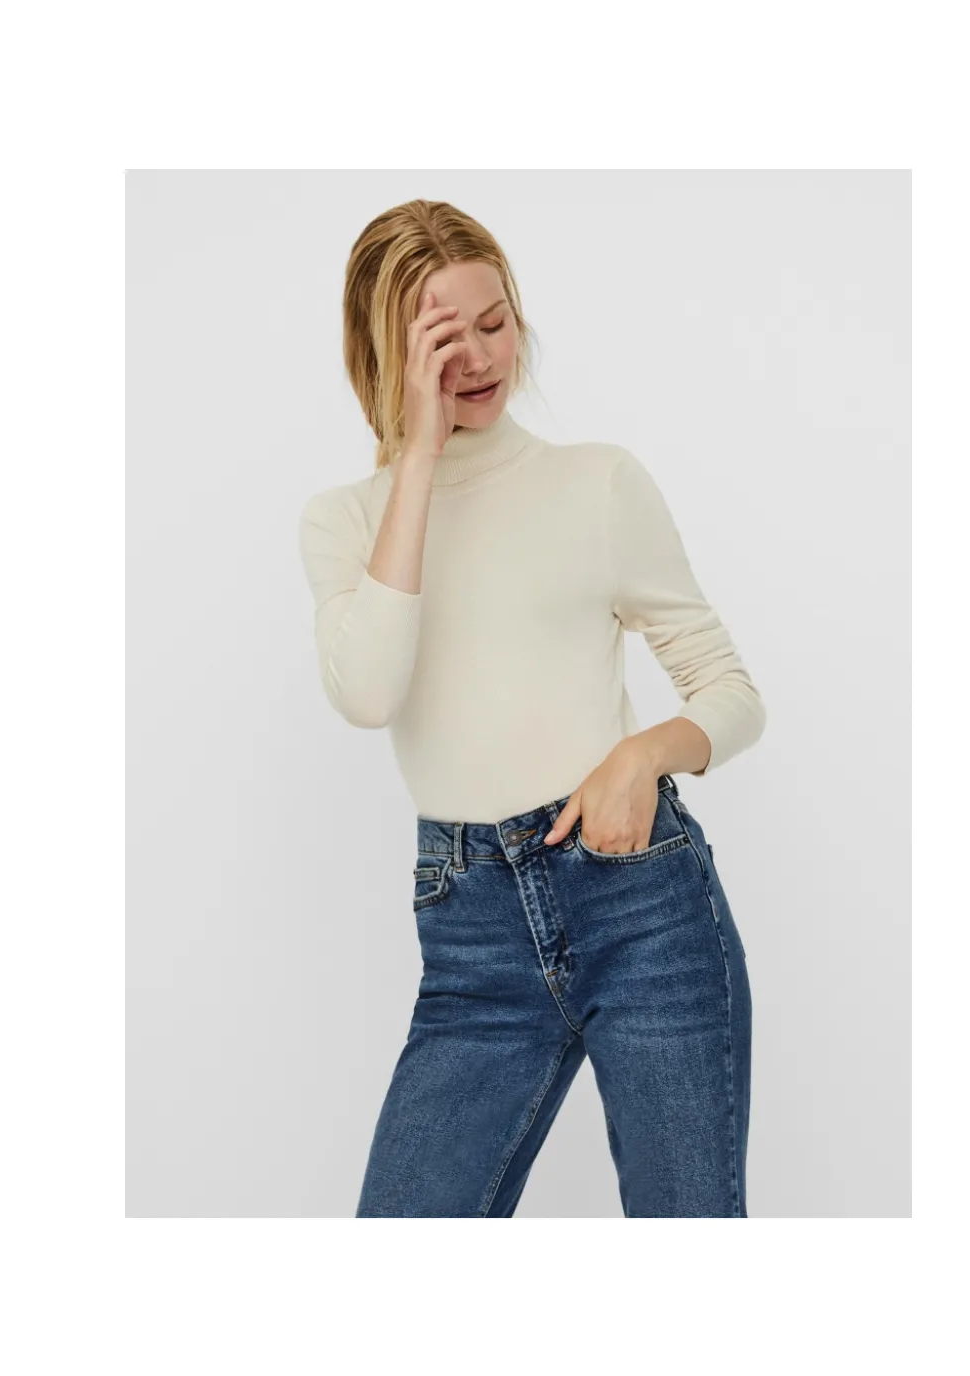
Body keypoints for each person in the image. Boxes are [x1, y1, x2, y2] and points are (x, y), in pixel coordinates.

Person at [297, 199, 767, 1217]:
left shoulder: (596, 484)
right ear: (386, 354)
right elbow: (367, 692)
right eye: (440, 340)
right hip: (471, 940)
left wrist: (642, 755)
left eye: (494, 322)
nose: (476, 357)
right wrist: (418, 459)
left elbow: (730, 690)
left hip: (639, 905)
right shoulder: (345, 523)